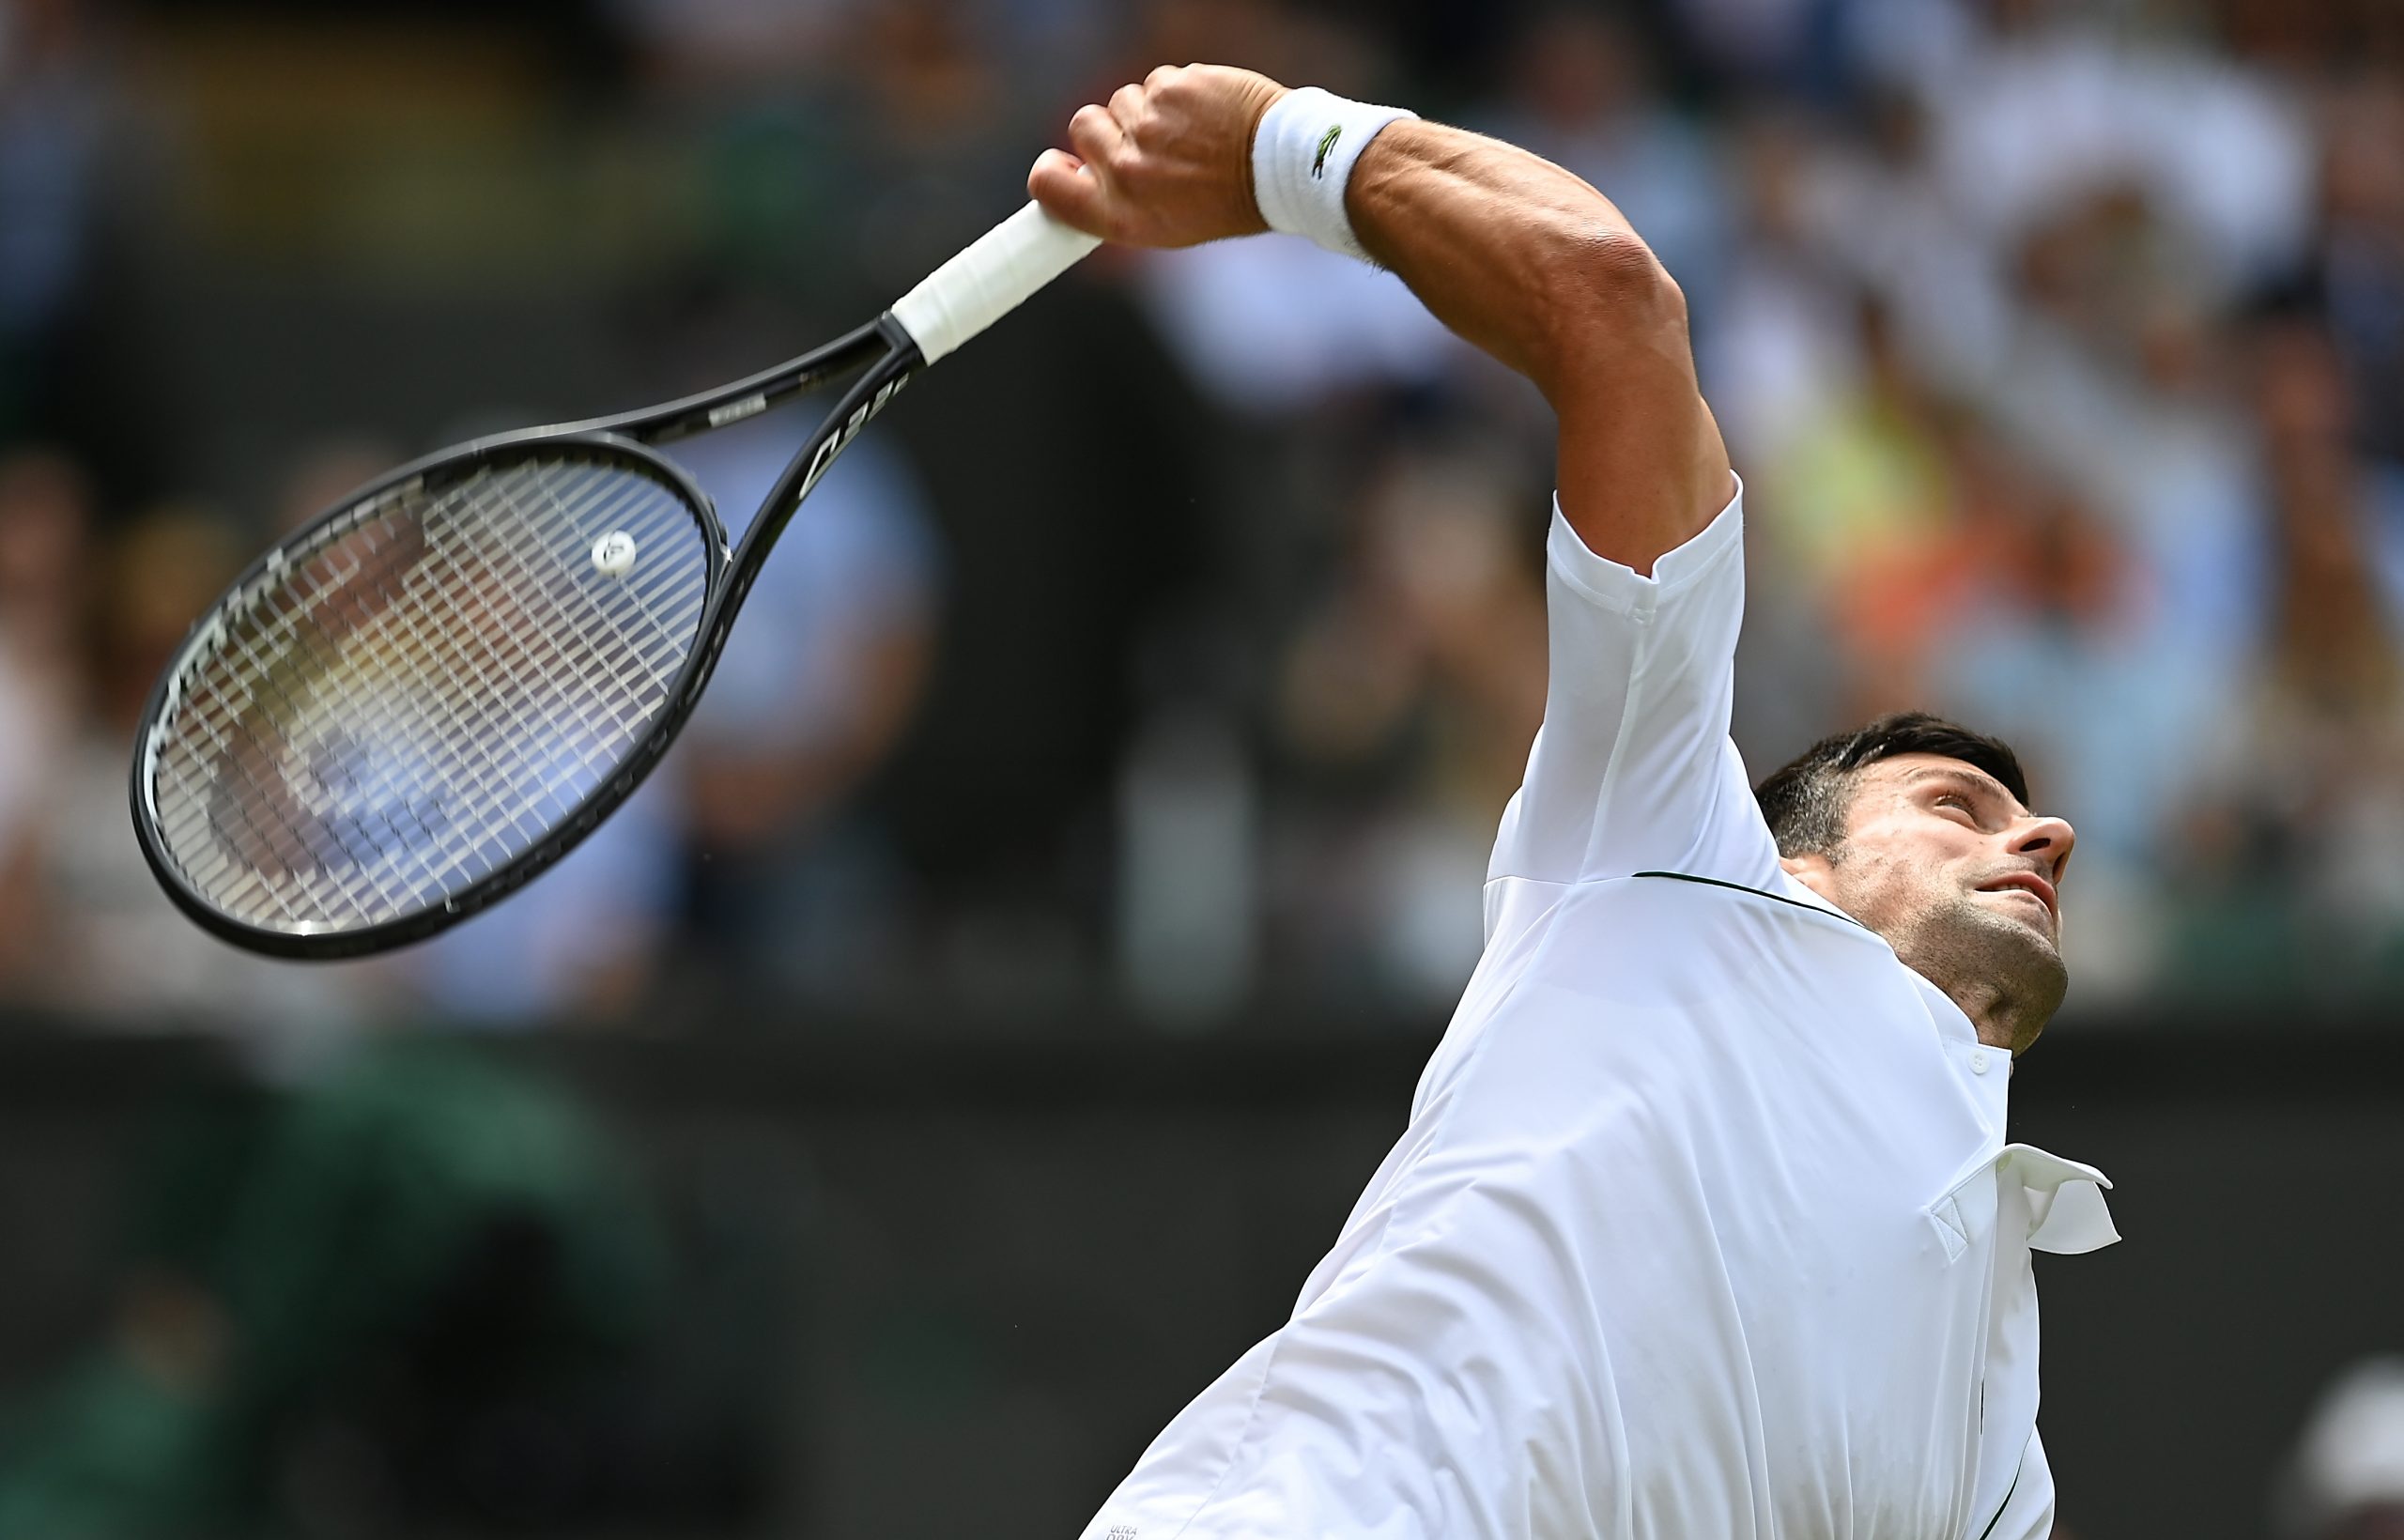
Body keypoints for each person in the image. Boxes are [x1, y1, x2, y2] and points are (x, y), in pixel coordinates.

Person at [1028, 65, 2119, 1540]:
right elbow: (1611, 299)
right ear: (1794, 859)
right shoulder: (1673, 853)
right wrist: (1280, 150)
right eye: (1956, 804)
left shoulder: (1997, 1442)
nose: (2040, 836)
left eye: (2022, 819)